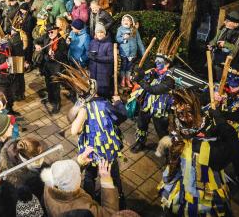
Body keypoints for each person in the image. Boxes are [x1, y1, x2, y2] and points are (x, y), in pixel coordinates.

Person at [158, 89, 239, 217]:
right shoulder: (208, 149)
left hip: (181, 181)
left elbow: (193, 101)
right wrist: (221, 121)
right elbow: (234, 147)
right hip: (204, 190)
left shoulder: (177, 141)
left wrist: (212, 97)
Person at [64, 71, 127, 209]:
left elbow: (73, 129)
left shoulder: (82, 107)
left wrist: (79, 109)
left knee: (89, 176)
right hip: (107, 149)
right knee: (113, 175)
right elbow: (122, 116)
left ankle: (89, 202)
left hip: (90, 150)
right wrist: (117, 102)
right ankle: (119, 201)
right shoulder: (103, 104)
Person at [129, 33, 178, 152]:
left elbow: (154, 90)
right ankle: (140, 142)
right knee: (141, 124)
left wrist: (140, 81)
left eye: (159, 62)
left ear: (167, 64)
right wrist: (137, 71)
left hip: (160, 108)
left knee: (161, 130)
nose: (156, 63)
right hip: (146, 104)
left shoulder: (169, 79)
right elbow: (144, 76)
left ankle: (167, 151)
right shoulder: (154, 71)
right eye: (156, 61)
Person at [41, 159, 128, 217]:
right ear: (74, 185)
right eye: (79, 175)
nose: (80, 174)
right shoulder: (85, 210)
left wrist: (80, 161)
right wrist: (107, 182)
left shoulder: (49, 183)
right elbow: (111, 214)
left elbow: (64, 174)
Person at [0, 137, 47, 217]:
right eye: (39, 158)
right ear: (31, 159)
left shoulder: (10, 154)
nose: (42, 159)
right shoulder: (28, 181)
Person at [36, 23, 69, 114]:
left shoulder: (61, 42)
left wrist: (54, 55)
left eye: (51, 32)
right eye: (48, 32)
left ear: (56, 30)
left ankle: (57, 103)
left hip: (56, 67)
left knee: (55, 87)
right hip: (46, 66)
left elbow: (64, 55)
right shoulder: (46, 36)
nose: (49, 34)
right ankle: (50, 99)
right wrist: (37, 46)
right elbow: (36, 40)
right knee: (48, 84)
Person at [208, 11, 239, 80]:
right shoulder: (224, 28)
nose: (224, 22)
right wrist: (211, 44)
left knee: (220, 75)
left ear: (236, 24)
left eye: (227, 21)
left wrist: (225, 44)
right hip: (216, 55)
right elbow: (215, 39)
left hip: (227, 61)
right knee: (210, 70)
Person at [116, 14, 146, 90]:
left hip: (132, 53)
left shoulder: (135, 30)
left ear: (131, 22)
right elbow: (117, 39)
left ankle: (128, 79)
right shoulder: (120, 29)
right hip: (124, 52)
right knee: (123, 66)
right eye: (124, 20)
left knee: (130, 67)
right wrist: (123, 38)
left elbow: (139, 42)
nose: (125, 21)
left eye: (127, 20)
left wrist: (143, 53)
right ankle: (123, 79)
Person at [87, 23, 114, 98]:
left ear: (104, 33)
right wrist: (90, 55)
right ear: (95, 33)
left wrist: (97, 58)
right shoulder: (92, 42)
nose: (100, 34)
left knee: (103, 93)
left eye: (101, 32)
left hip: (104, 73)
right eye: (98, 32)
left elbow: (111, 58)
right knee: (94, 91)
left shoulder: (108, 44)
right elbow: (88, 52)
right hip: (93, 72)